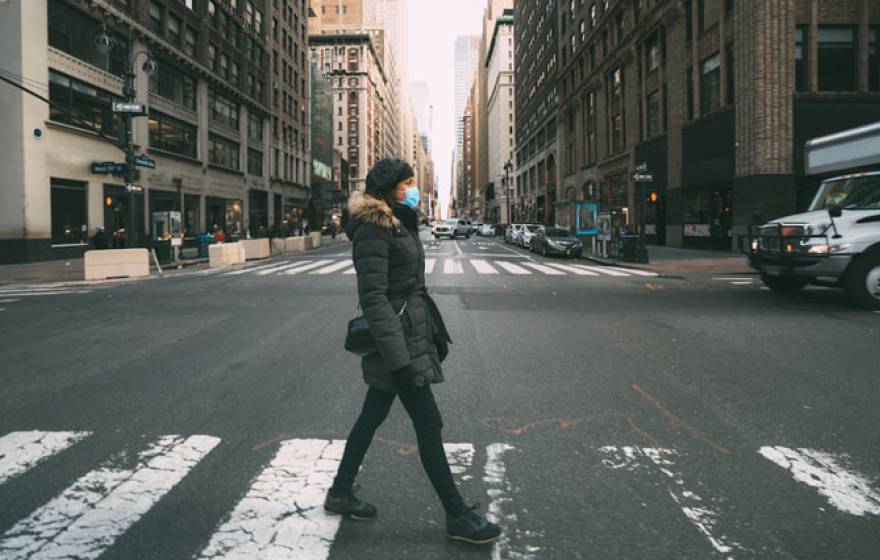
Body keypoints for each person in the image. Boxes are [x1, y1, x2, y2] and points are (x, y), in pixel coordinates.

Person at [324, 158, 501, 545]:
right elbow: (374, 298)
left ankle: (340, 491)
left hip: (408, 334)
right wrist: (399, 360)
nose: (411, 189)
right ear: (388, 188)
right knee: (429, 424)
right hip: (398, 342)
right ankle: (456, 515)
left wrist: (406, 215)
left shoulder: (394, 221)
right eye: (406, 183)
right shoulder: (373, 227)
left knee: (372, 415)